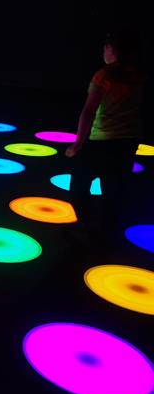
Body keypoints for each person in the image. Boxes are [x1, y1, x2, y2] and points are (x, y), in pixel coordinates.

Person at [65, 28, 144, 241]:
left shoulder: (104, 75)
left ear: (111, 50)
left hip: (103, 140)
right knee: (113, 189)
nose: (103, 53)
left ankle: (87, 226)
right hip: (129, 140)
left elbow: (89, 111)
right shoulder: (137, 75)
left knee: (79, 185)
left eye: (105, 49)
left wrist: (77, 144)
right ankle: (105, 234)